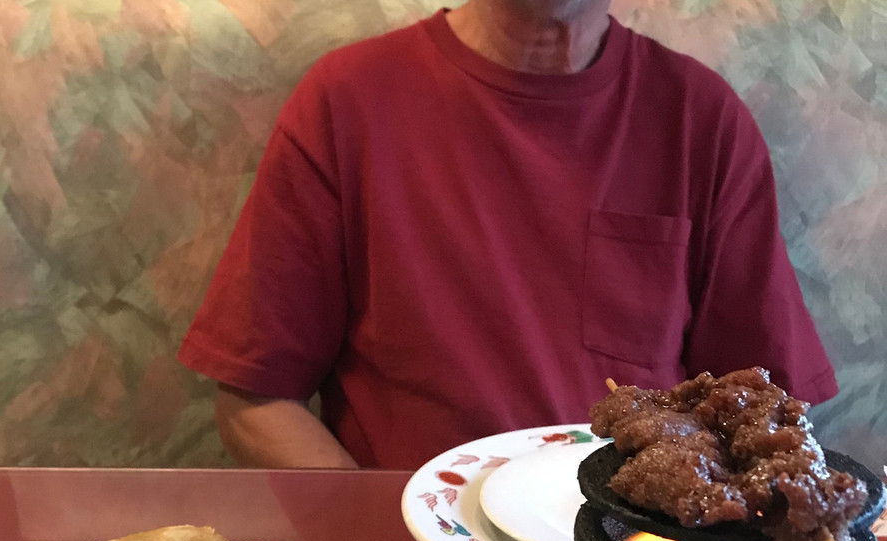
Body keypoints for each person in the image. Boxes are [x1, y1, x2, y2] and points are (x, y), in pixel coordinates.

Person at [178, 0, 837, 471]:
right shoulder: (345, 101)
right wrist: (384, 538)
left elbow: (768, 411)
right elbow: (254, 401)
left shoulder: (704, 121)